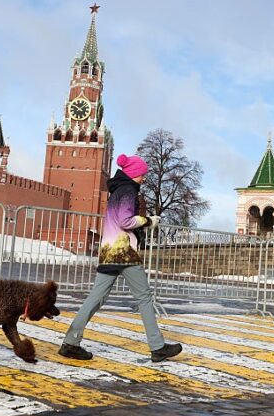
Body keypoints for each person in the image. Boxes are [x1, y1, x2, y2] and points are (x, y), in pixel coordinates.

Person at [59, 153, 182, 363]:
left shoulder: (116, 190)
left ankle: (70, 342)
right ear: (134, 173)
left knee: (95, 298)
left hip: (109, 251)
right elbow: (125, 221)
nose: (144, 178)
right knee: (144, 297)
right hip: (124, 252)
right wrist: (148, 221)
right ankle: (157, 346)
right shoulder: (128, 191)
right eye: (142, 174)